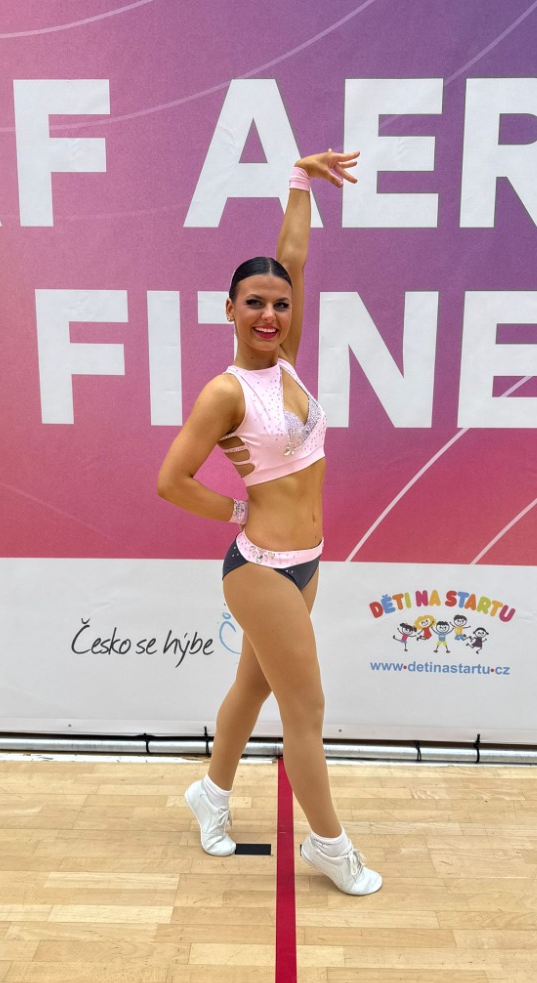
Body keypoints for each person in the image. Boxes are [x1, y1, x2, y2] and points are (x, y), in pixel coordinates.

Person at [157, 149, 382, 895]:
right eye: (254, 303)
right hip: (258, 570)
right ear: (228, 308)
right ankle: (330, 845)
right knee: (305, 711)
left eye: (280, 305)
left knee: (251, 690)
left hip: (306, 562)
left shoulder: (285, 361)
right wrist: (235, 508)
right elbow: (170, 481)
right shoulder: (224, 393)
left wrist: (299, 180)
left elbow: (294, 256)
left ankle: (210, 793)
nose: (270, 315)